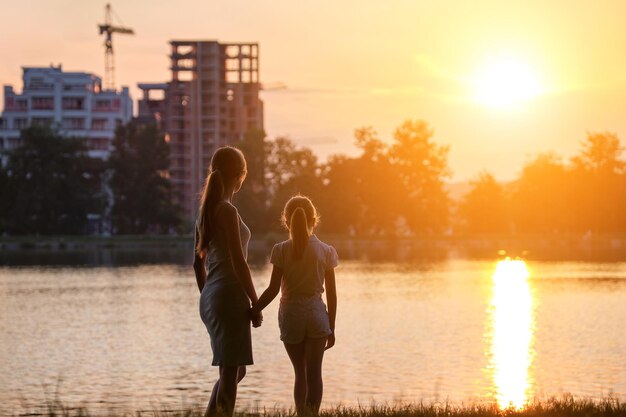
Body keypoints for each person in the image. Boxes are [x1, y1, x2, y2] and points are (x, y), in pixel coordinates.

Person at [251, 195, 338, 416]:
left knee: (300, 372)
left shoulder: (280, 250)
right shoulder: (325, 251)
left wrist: (254, 309)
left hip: (291, 314)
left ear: (287, 221)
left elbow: (272, 290)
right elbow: (332, 294)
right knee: (314, 373)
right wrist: (332, 327)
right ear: (314, 220)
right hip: (317, 314)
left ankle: (301, 415)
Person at [193, 146, 263, 417]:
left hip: (210, 296)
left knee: (233, 370)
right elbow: (238, 261)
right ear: (241, 175)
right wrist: (255, 302)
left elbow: (197, 264)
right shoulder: (227, 211)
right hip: (228, 295)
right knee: (231, 372)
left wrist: (207, 295)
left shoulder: (204, 213)